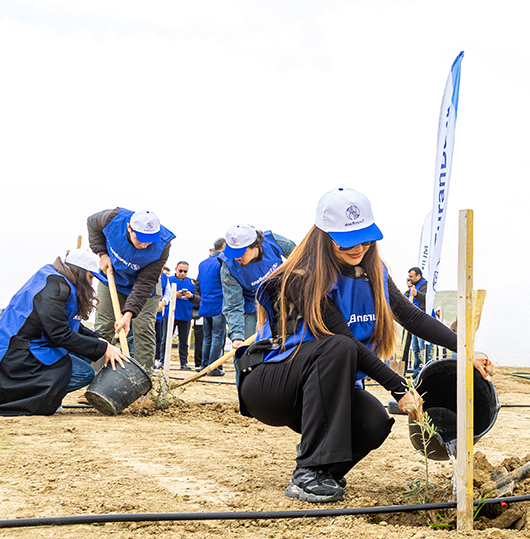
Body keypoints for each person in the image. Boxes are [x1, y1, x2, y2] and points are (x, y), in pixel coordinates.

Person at [236, 187, 494, 504]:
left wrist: (466, 351)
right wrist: (400, 389)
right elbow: (344, 341)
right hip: (272, 384)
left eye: (366, 239)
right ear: (325, 237)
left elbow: (411, 316)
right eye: (348, 242)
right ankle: (308, 472)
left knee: (373, 423)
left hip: (321, 389)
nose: (359, 248)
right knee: (338, 347)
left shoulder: (374, 272)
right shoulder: (302, 276)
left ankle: (325, 473)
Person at [0, 248, 127, 416]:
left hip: (28, 348)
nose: (91, 284)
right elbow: (60, 334)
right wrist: (103, 348)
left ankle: (49, 395)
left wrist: (100, 340)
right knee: (84, 373)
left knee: (89, 352)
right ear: (79, 272)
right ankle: (40, 398)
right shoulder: (53, 288)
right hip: (10, 359)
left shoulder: (58, 279)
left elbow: (71, 325)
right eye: (90, 277)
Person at [88, 207, 174, 381]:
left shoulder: (163, 244)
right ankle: (96, 380)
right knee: (103, 327)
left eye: (150, 241)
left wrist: (128, 315)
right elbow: (92, 224)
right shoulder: (112, 218)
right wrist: (102, 253)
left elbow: (145, 282)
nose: (145, 245)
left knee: (144, 329)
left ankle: (141, 383)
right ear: (129, 228)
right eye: (141, 239)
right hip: (113, 278)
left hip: (143, 286)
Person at [220, 225, 297, 343]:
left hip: (280, 297)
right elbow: (233, 305)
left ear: (255, 245)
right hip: (252, 306)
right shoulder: (228, 267)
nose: (236, 258)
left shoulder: (274, 242)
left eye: (241, 252)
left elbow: (302, 260)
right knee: (249, 347)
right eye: (233, 253)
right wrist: (237, 336)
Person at [195, 238, 227, 371]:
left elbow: (197, 285)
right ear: (224, 246)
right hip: (219, 304)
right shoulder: (222, 261)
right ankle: (213, 368)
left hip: (205, 304)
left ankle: (204, 365)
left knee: (207, 337)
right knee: (217, 337)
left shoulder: (203, 263)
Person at [167, 261, 197, 369]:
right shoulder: (169, 280)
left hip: (185, 315)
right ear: (176, 269)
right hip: (170, 314)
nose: (182, 273)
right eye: (180, 271)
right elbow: (163, 295)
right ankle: (162, 361)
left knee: (184, 341)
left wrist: (190, 296)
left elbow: (197, 298)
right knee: (166, 340)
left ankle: (184, 363)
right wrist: (173, 295)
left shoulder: (191, 283)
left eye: (185, 271)